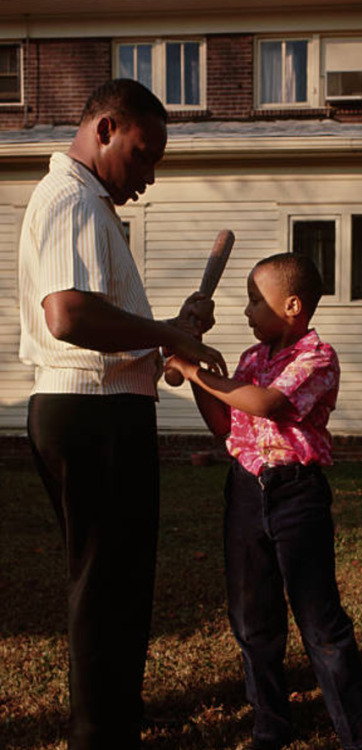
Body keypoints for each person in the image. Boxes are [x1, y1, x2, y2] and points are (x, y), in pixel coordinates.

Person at [18, 78, 226, 750]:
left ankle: (116, 716)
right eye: (142, 154)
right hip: (90, 416)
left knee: (121, 579)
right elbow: (68, 315)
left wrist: (167, 334)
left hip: (104, 410)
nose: (147, 176)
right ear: (105, 128)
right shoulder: (71, 196)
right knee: (105, 585)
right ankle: (100, 736)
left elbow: (109, 324)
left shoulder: (92, 204)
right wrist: (166, 333)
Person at [166, 252, 362, 750]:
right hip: (245, 489)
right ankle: (271, 724)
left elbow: (267, 404)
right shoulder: (248, 361)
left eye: (252, 300)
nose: (245, 311)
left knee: (320, 622)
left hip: (296, 495)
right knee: (251, 618)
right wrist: (197, 368)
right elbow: (226, 423)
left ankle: (360, 738)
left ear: (291, 305)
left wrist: (194, 371)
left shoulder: (317, 358)